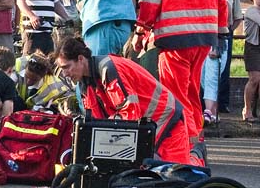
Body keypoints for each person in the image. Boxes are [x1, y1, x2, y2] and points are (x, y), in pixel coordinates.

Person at [133, 0, 227, 161]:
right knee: (192, 93)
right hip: (203, 40)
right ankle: (196, 144)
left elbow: (149, 3)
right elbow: (221, 0)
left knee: (175, 97)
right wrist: (220, 34)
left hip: (175, 41)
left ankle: (182, 150)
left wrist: (141, 32)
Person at [55, 37, 189, 164]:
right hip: (148, 122)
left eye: (66, 67)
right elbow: (99, 122)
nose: (65, 74)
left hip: (166, 120)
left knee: (178, 175)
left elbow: (128, 113)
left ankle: (197, 153)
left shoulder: (108, 69)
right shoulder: (86, 82)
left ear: (80, 59)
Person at [217, 0, 243, 114]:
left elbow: (238, 16)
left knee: (224, 68)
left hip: (225, 32)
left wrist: (230, 29)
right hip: (209, 32)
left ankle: (223, 102)